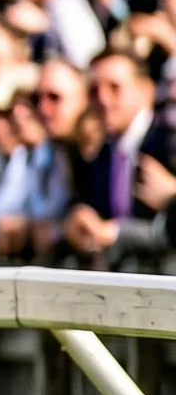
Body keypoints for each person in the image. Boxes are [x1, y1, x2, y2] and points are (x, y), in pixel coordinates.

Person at [62, 49, 176, 267]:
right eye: (94, 91)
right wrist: (79, 218)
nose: (103, 99)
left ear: (147, 91)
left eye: (115, 88)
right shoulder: (101, 154)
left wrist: (171, 197)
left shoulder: (168, 141)